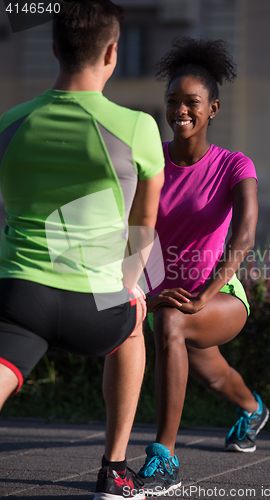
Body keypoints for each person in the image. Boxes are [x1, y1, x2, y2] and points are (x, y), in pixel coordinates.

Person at [0, 1, 164, 499]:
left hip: (18, 299)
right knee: (134, 324)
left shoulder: (10, 123)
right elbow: (144, 226)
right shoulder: (137, 127)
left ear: (54, 48)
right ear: (113, 51)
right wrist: (130, 288)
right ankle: (114, 472)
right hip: (95, 307)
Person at [137, 37, 269, 495]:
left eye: (191, 102)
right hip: (168, 295)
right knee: (212, 373)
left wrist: (203, 296)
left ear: (213, 108)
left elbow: (245, 237)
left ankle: (164, 458)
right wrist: (146, 293)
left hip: (220, 296)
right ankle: (253, 409)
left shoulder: (234, 165)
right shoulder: (152, 162)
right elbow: (134, 233)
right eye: (173, 102)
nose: (180, 111)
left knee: (173, 323)